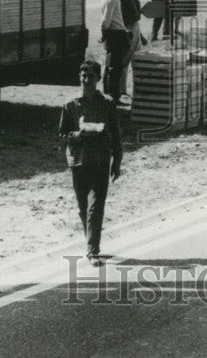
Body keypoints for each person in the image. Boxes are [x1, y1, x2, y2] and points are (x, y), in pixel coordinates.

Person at [58, 60, 122, 265]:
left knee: (96, 206)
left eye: (91, 76)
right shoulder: (69, 105)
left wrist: (117, 160)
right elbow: (62, 135)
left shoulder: (108, 104)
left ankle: (92, 251)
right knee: (83, 206)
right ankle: (91, 244)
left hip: (101, 159)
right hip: (78, 161)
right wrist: (79, 134)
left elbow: (116, 135)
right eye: (83, 76)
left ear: (99, 79)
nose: (86, 80)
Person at [100, 0, 130, 100]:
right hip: (115, 35)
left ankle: (109, 94)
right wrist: (103, 35)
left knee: (111, 66)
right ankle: (112, 96)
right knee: (114, 68)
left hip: (116, 33)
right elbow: (105, 21)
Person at [118, 0, 143, 102]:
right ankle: (121, 89)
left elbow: (137, 15)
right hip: (128, 28)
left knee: (136, 58)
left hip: (135, 27)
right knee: (125, 60)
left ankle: (135, 88)